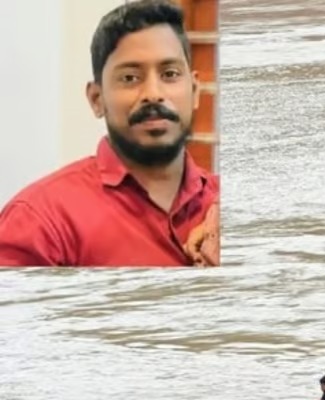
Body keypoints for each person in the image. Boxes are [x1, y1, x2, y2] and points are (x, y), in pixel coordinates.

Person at [0, 0, 219, 267]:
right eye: (130, 78)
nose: (154, 93)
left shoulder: (230, 210)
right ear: (96, 99)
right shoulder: (41, 221)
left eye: (170, 74)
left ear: (195, 91)